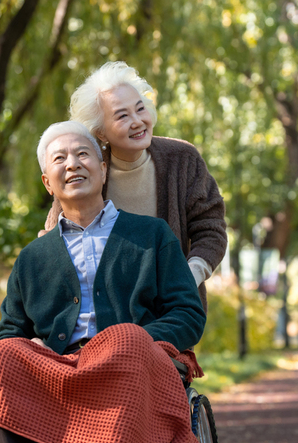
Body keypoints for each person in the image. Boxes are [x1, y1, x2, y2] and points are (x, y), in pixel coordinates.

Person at [0, 121, 209, 443]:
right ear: (48, 183)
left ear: (103, 171)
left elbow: (188, 313)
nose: (72, 163)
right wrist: (30, 345)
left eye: (82, 154)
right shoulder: (33, 258)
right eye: (59, 159)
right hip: (57, 367)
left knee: (125, 341)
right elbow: (11, 331)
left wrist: (139, 340)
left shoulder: (152, 235)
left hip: (130, 361)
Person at [43, 61, 227, 310]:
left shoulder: (182, 160)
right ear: (101, 133)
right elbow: (54, 241)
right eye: (122, 116)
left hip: (168, 310)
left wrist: (186, 278)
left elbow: (211, 230)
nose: (138, 121)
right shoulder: (85, 172)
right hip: (98, 313)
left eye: (140, 109)